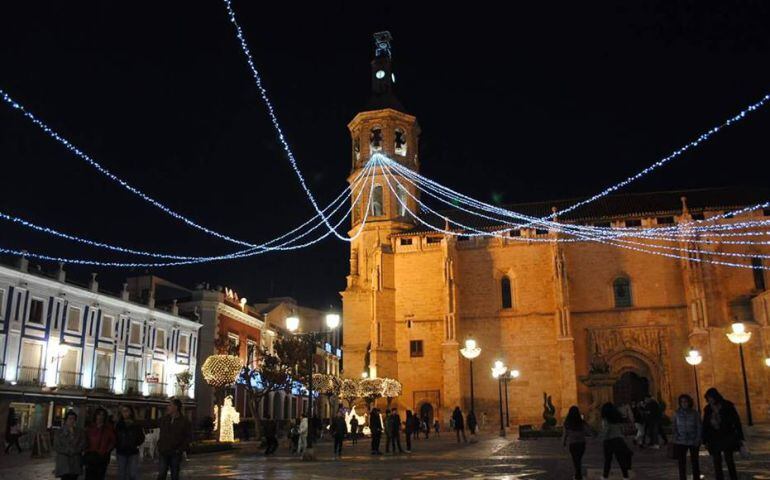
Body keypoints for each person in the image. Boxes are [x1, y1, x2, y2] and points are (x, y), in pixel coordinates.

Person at [702, 387, 744, 480]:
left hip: (727, 436)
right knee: (717, 461)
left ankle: (733, 477)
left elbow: (736, 421)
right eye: (708, 398)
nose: (710, 400)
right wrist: (704, 439)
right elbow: (705, 424)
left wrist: (740, 436)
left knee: (729, 459)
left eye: (711, 397)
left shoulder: (727, 405)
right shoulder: (708, 409)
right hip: (714, 438)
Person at [156, 398, 192, 480]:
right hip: (164, 450)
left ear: (175, 407)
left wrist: (180, 449)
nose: (167, 407)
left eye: (170, 405)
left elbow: (188, 436)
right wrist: (160, 445)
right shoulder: (164, 419)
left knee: (175, 474)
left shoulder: (184, 421)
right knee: (161, 473)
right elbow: (152, 423)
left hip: (175, 452)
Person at [599, 402, 632, 480]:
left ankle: (605, 476)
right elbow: (621, 429)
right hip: (618, 440)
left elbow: (606, 430)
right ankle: (625, 476)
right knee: (621, 459)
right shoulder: (617, 418)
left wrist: (601, 437)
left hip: (608, 441)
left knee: (608, 460)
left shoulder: (606, 419)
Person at [672, 394, 701, 480]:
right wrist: (676, 436)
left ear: (689, 402)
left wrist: (698, 439)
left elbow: (699, 426)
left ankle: (696, 478)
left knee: (695, 462)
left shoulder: (694, 413)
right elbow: (674, 426)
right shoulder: (677, 413)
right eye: (682, 402)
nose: (684, 403)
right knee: (681, 463)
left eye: (685, 402)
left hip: (693, 440)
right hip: (681, 441)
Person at [84, 407, 116, 480]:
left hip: (102, 456)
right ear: (95, 415)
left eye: (103, 415)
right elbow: (85, 439)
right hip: (90, 455)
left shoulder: (108, 428)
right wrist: (86, 449)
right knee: (89, 476)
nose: (101, 417)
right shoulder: (90, 427)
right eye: (99, 414)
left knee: (100, 476)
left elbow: (113, 441)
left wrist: (107, 450)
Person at [115, 405, 145, 480]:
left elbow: (141, 436)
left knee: (132, 473)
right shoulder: (119, 424)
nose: (125, 413)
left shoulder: (135, 424)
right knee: (122, 473)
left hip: (133, 451)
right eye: (123, 411)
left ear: (131, 412)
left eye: (127, 411)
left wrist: (136, 444)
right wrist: (117, 445)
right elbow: (115, 436)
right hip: (121, 451)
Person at [54, 410, 85, 480]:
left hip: (76, 461)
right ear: (66, 420)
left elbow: (83, 444)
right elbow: (57, 446)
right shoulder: (59, 432)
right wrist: (68, 450)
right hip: (64, 461)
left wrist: (75, 450)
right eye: (70, 419)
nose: (72, 421)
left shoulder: (80, 431)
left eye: (73, 419)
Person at [562, 406, 591, 480]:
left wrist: (564, 442)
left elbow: (565, 434)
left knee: (575, 460)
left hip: (573, 444)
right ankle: (578, 474)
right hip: (581, 443)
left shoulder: (567, 423)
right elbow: (588, 431)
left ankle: (578, 475)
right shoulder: (581, 422)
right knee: (579, 459)